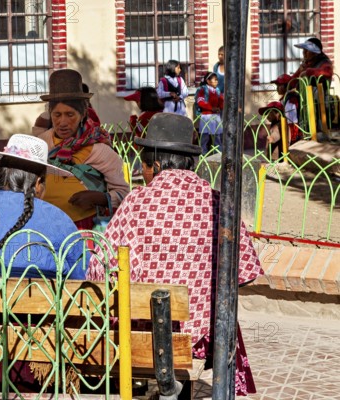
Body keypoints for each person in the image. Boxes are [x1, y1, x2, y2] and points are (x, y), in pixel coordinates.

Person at [86, 113, 262, 396]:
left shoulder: (138, 202)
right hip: (206, 336)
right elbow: (246, 273)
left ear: (155, 164)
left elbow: (101, 269)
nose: (143, 174)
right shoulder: (219, 201)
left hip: (149, 335)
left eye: (143, 167)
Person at [0, 133, 86, 279]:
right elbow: (82, 274)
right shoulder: (58, 218)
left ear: (0, 174)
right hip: (39, 301)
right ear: (38, 183)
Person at [37, 69, 129, 229]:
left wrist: (100, 198)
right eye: (57, 115)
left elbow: (124, 194)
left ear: (83, 114)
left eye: (70, 114)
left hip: (84, 229)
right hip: (46, 226)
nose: (63, 122)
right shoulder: (41, 144)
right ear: (50, 114)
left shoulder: (99, 150)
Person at [196, 72, 224, 154]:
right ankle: (203, 152)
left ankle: (218, 152)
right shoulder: (203, 90)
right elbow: (200, 102)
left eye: (217, 80)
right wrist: (211, 108)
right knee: (205, 136)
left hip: (216, 116)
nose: (216, 82)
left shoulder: (217, 91)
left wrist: (220, 108)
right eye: (214, 80)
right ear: (208, 81)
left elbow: (222, 101)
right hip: (206, 116)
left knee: (217, 136)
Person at [271, 73, 302, 144]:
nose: (277, 88)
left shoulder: (291, 99)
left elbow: (292, 122)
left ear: (286, 86)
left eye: (279, 85)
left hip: (291, 135)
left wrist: (292, 138)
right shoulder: (284, 99)